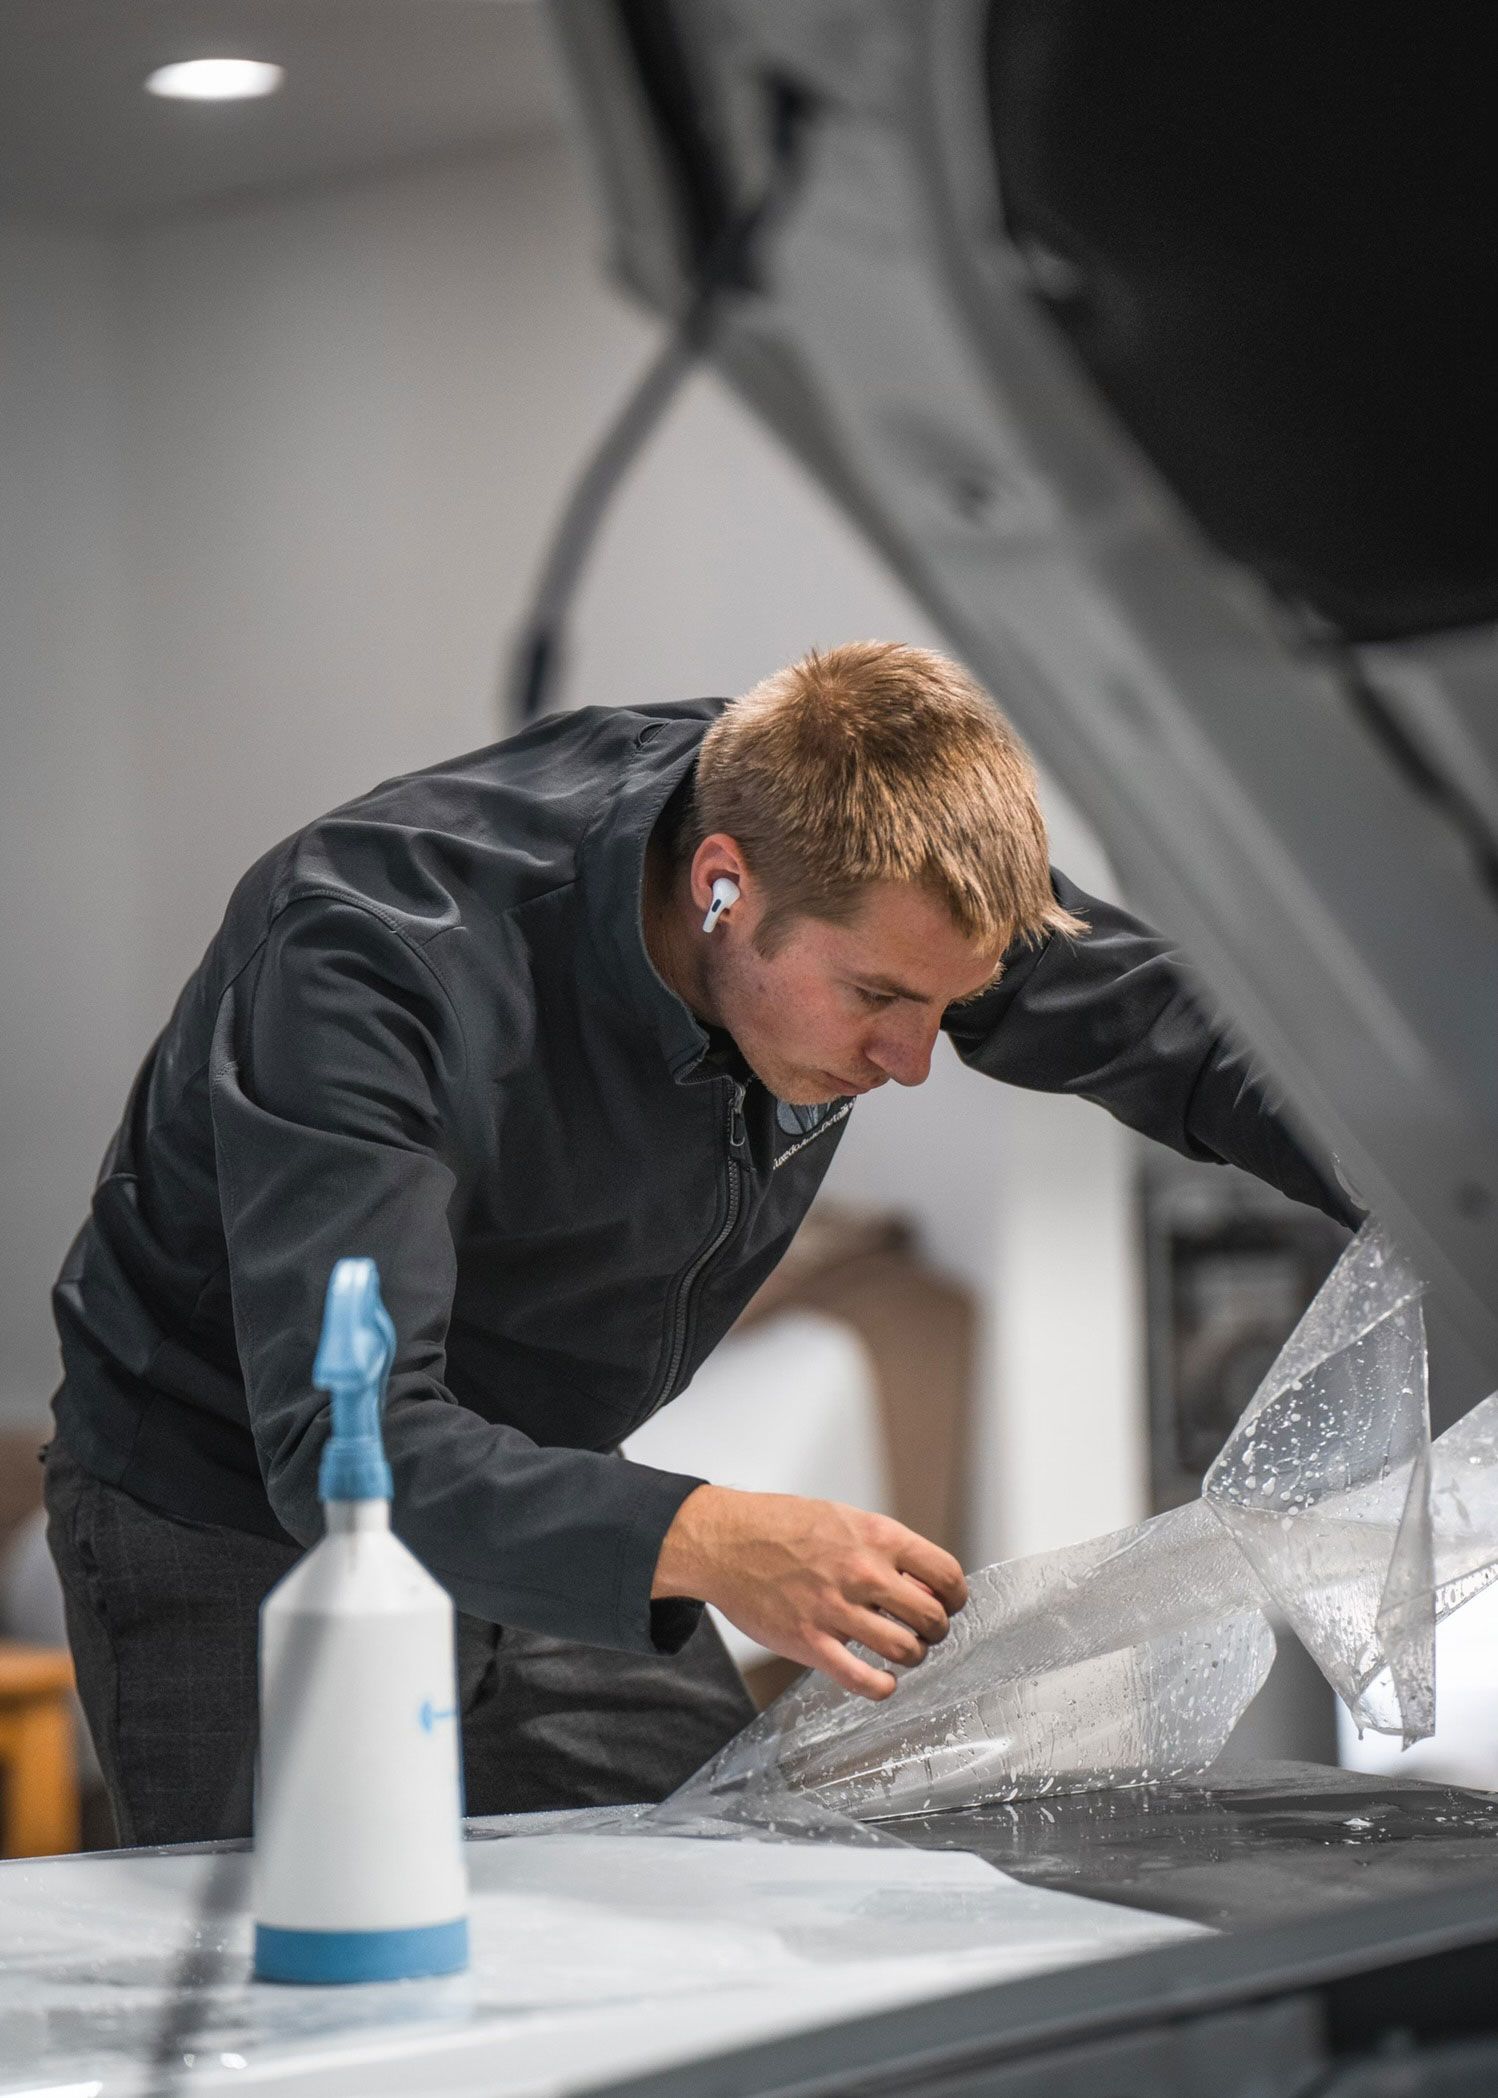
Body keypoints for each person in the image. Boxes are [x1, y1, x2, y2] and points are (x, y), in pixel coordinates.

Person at [44, 642, 1356, 1845]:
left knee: (727, 1897)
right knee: (307, 1994)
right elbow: (350, 1440)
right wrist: (712, 1535)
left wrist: (1431, 1183)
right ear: (720, 884)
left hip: (533, 1481)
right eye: (878, 1002)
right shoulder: (370, 961)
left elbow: (1175, 1029)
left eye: (946, 1007)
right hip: (231, 1505)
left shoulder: (866, 862)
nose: (911, 1060)